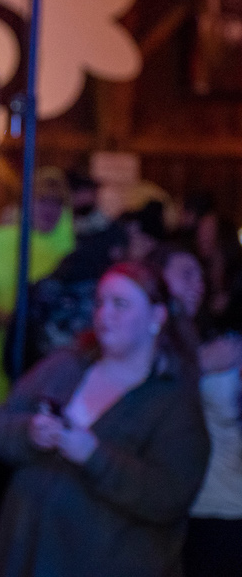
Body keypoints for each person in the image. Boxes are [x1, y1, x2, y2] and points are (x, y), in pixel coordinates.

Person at [0, 262, 209, 577]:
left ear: (156, 318)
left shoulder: (172, 403)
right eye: (101, 302)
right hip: (25, 559)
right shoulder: (65, 366)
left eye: (121, 304)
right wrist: (29, 433)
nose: (105, 314)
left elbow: (168, 496)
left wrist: (94, 456)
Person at [153, 244, 242, 577]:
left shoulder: (207, 337)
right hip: (197, 505)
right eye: (187, 274)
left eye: (201, 276)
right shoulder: (155, 341)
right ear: (158, 278)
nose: (199, 283)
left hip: (221, 502)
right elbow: (151, 390)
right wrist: (202, 365)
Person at [0, 167, 76, 405]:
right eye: (42, 200)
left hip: (53, 363)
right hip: (3, 359)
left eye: (57, 202)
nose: (49, 209)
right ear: (27, 202)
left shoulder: (71, 255)